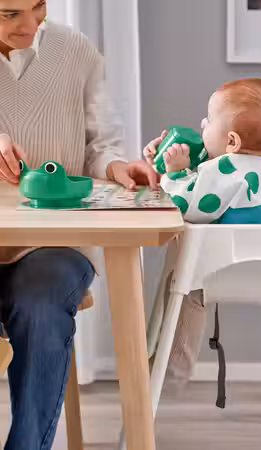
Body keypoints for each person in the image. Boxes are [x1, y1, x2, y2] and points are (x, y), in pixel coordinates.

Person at [0, 1, 157, 449]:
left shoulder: (75, 50)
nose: (30, 25)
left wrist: (115, 167)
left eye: (38, 6)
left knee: (40, 305)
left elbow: (101, 145)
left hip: (54, 244)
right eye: (9, 14)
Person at [144, 78, 261, 388]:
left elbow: (186, 205)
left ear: (232, 142)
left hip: (228, 266)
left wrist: (174, 173)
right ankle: (159, 361)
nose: (202, 125)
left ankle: (172, 370)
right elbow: (209, 185)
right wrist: (165, 163)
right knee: (180, 273)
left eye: (209, 121)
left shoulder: (228, 170)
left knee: (184, 286)